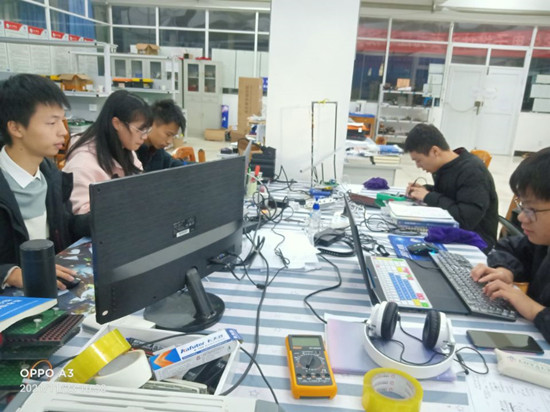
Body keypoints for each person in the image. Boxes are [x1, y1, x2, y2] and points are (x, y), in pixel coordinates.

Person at [0, 74, 90, 291]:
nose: (63, 131)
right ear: (16, 128)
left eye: (63, 120)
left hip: (50, 288)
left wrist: (102, 218)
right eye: (51, 122)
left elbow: (64, 226)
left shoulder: (51, 175)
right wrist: (10, 274)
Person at [471, 147, 550, 342]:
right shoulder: (543, 242)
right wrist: (505, 270)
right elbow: (510, 247)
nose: (521, 217)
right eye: (522, 207)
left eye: (531, 210)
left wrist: (533, 309)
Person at [404, 124, 499, 251]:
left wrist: (428, 196)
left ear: (435, 151)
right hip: (452, 233)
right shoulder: (446, 167)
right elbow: (451, 195)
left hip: (476, 241)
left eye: (418, 160)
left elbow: (464, 220)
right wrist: (425, 190)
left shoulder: (473, 171)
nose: (418, 166)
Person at [63, 90, 152, 214]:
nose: (145, 137)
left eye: (147, 130)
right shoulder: (82, 164)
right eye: (140, 130)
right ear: (117, 123)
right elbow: (81, 215)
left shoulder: (126, 151)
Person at [136, 99, 187, 172]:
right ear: (151, 123)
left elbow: (173, 163)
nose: (169, 141)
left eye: (173, 136)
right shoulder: (131, 151)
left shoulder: (156, 150)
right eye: (168, 134)